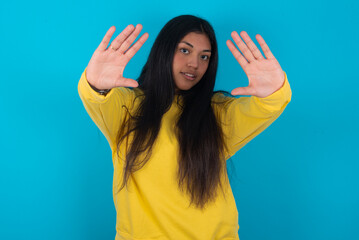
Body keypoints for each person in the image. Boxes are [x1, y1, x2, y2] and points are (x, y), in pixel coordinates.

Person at [78, 15, 292, 240]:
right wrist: (96, 84)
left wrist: (274, 90)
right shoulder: (128, 107)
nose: (195, 64)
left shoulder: (217, 113)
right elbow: (97, 98)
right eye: (185, 50)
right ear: (164, 51)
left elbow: (267, 106)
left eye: (205, 56)